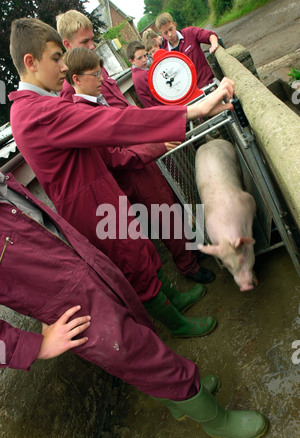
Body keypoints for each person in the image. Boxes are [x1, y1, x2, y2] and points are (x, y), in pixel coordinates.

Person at [9, 18, 238, 337]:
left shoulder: (40, 106)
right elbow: (113, 124)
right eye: (56, 58)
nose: (63, 67)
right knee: (133, 260)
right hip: (90, 201)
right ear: (31, 62)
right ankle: (178, 326)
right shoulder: (38, 113)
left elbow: (114, 119)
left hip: (101, 189)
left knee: (141, 249)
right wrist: (193, 111)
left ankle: (174, 299)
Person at [0, 171, 268, 438]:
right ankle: (216, 421)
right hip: (69, 303)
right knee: (144, 356)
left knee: (143, 341)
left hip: (84, 265)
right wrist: (30, 347)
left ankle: (178, 401)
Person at [56, 10, 217, 284]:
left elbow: (122, 110)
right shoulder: (72, 92)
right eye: (85, 43)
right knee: (162, 209)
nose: (93, 46)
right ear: (68, 46)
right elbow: (106, 140)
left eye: (93, 40)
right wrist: (150, 146)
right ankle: (188, 266)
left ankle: (192, 250)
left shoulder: (98, 69)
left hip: (140, 149)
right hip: (127, 162)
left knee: (171, 200)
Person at [57, 10, 130, 108]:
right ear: (67, 44)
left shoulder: (96, 65)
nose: (92, 46)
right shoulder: (69, 88)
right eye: (85, 41)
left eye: (92, 39)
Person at [155, 12, 219, 90]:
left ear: (175, 25)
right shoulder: (166, 55)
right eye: (166, 33)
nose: (170, 34)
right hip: (191, 95)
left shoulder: (189, 33)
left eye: (171, 29)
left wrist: (214, 43)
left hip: (208, 84)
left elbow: (210, 35)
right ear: (161, 35)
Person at [127, 40, 163, 108]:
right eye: (139, 58)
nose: (144, 60)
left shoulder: (138, 72)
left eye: (145, 55)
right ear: (132, 61)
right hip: (162, 110)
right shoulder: (142, 75)